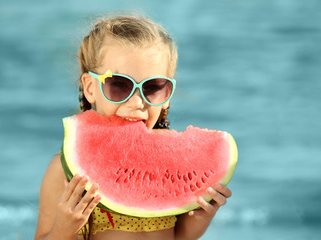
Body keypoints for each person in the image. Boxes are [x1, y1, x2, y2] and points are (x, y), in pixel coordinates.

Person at [35, 15, 232, 240]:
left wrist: (201, 217)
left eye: (152, 87)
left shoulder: (172, 165)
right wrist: (64, 228)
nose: (137, 102)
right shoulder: (63, 171)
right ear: (90, 88)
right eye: (119, 85)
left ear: (167, 95)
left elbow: (177, 237)